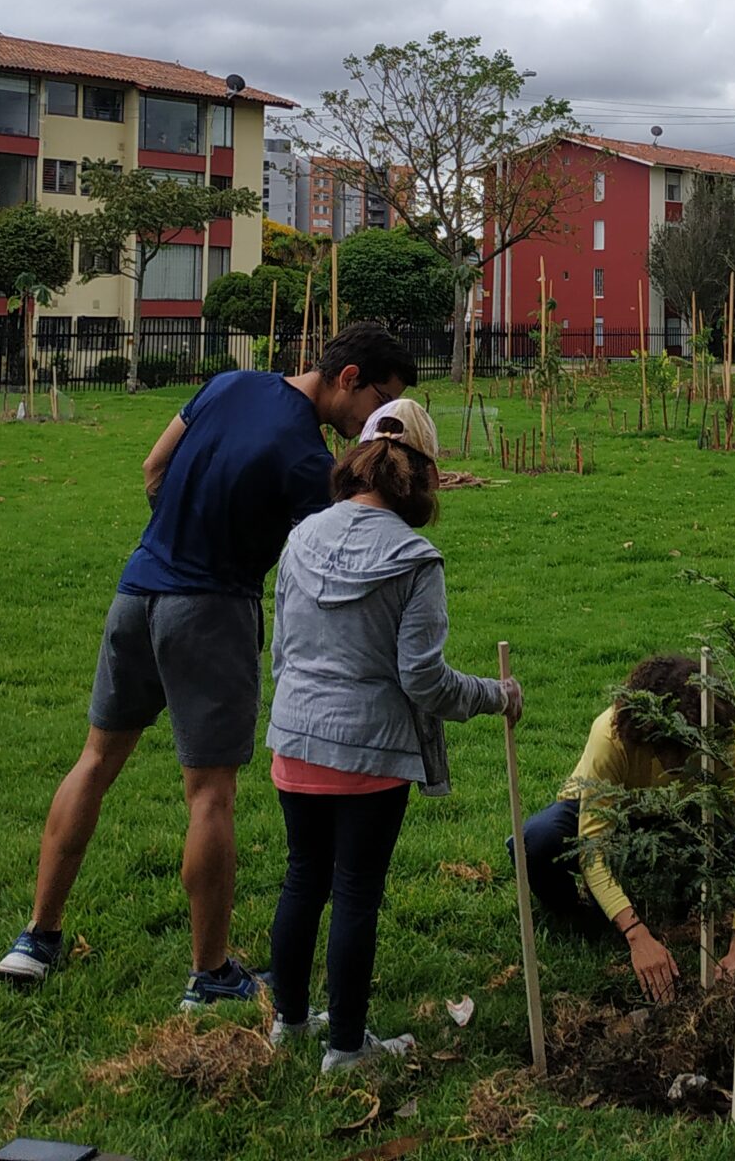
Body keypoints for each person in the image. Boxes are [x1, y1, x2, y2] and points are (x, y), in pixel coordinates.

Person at [0, 324, 415, 1007]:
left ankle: (36, 939)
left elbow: (153, 468)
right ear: (349, 377)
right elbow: (339, 550)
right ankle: (211, 973)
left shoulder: (228, 384)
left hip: (135, 594)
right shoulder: (309, 462)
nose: (374, 425)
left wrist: (180, 535)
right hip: (211, 612)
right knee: (210, 795)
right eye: (379, 403)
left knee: (95, 762)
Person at [262, 397, 520, 1070]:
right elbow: (424, 681)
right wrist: (497, 696)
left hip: (294, 737)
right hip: (369, 755)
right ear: (423, 477)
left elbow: (282, 650)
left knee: (302, 877)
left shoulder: (301, 537)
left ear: (359, 462)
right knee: (353, 894)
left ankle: (289, 1023)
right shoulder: (416, 559)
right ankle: (347, 1047)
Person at [517, 654, 735, 1002]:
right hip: (608, 808)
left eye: (687, 749)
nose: (677, 762)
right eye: (668, 749)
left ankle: (678, 896)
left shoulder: (726, 744)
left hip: (684, 817)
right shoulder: (613, 734)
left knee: (724, 844)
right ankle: (583, 916)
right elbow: (591, 846)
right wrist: (636, 935)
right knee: (536, 840)